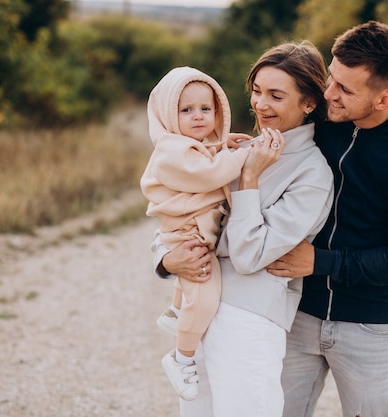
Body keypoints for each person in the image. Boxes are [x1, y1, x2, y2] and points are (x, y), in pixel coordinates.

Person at [266, 21, 388, 417]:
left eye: (346, 90)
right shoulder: (322, 122)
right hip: (296, 312)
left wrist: (321, 262)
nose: (329, 94)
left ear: (384, 99)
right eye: (332, 79)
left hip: (369, 328)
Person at [151, 40, 335, 417]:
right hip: (200, 307)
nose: (260, 104)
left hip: (250, 318)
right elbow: (181, 213)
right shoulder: (236, 150)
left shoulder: (313, 174)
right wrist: (168, 259)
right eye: (256, 91)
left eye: (275, 96)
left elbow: (251, 256)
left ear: (308, 103)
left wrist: (250, 177)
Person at [140, 66, 250, 401]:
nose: (198, 116)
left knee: (193, 294)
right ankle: (181, 357)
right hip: (188, 237)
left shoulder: (191, 146)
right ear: (167, 116)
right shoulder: (170, 150)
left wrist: (221, 143)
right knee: (205, 295)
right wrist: (245, 154)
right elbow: (207, 174)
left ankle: (175, 312)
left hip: (192, 230)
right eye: (186, 110)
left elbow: (205, 156)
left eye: (206, 109)